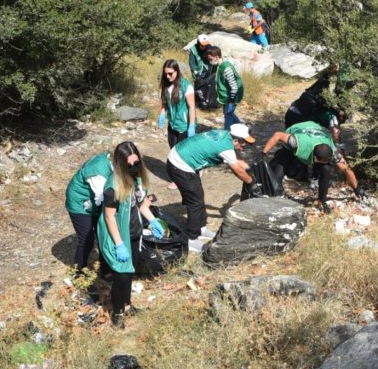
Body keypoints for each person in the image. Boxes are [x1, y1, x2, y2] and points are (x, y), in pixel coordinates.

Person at [97, 141, 162, 327]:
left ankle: (126, 305)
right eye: (130, 165)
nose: (134, 167)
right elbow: (109, 217)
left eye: (136, 163)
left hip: (133, 231)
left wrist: (153, 220)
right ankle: (117, 314)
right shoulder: (113, 187)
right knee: (121, 275)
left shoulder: (138, 179)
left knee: (130, 271)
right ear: (121, 164)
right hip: (116, 233)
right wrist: (118, 244)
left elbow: (141, 205)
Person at [165, 125, 256, 253]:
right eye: (244, 142)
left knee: (198, 196)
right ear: (236, 140)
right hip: (180, 164)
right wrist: (251, 183)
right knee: (195, 202)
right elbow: (237, 170)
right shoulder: (225, 148)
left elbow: (236, 162)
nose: (244, 145)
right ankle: (192, 239)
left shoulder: (224, 135)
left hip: (182, 155)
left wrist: (250, 170)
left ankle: (201, 229)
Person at [261, 121, 363, 213]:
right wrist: (262, 154)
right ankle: (271, 195)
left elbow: (346, 169)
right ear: (314, 157)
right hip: (299, 129)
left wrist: (356, 188)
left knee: (326, 169)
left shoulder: (333, 152)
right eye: (321, 161)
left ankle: (321, 201)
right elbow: (277, 135)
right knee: (279, 169)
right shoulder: (296, 142)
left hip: (316, 128)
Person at [64, 152, 112, 279]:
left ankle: (106, 269)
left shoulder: (110, 164)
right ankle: (79, 272)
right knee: (87, 239)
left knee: (103, 235)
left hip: (93, 202)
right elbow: (102, 198)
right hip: (79, 202)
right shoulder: (98, 170)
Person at [284, 69, 346, 143]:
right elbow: (336, 132)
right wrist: (339, 147)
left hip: (294, 110)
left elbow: (321, 83)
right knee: (294, 140)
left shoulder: (323, 107)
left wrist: (329, 73)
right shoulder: (331, 116)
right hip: (298, 113)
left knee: (291, 139)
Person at [158, 59, 197, 147]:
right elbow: (165, 102)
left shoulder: (186, 86)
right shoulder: (166, 85)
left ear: (177, 71)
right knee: (172, 149)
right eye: (166, 74)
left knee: (181, 153)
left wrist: (191, 126)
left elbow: (191, 107)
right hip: (172, 124)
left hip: (184, 125)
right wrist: (162, 115)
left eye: (170, 73)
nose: (167, 76)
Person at [206, 46, 243, 128]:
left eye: (210, 59)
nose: (209, 61)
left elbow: (234, 86)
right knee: (227, 113)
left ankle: (226, 134)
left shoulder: (226, 68)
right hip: (227, 96)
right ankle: (243, 128)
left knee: (228, 115)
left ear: (216, 57)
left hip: (232, 95)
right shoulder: (219, 66)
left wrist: (232, 100)